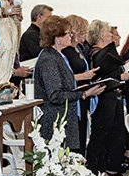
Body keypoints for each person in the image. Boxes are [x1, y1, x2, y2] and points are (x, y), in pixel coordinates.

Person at [33, 16, 104, 149]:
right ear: (57, 38)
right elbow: (55, 95)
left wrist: (86, 88)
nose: (71, 36)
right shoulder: (49, 59)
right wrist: (84, 94)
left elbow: (65, 84)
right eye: (67, 33)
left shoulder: (58, 56)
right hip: (54, 121)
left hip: (63, 118)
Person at [86, 19, 129, 176]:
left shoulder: (103, 52)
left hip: (111, 95)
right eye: (108, 33)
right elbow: (100, 76)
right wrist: (120, 76)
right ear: (100, 35)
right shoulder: (96, 53)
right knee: (100, 135)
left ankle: (103, 168)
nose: (111, 36)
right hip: (102, 98)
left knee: (110, 133)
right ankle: (95, 170)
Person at [61, 14, 98, 155]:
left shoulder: (78, 49)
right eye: (82, 32)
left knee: (82, 131)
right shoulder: (65, 51)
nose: (85, 35)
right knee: (75, 133)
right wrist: (83, 76)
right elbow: (63, 77)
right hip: (73, 95)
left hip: (83, 94)